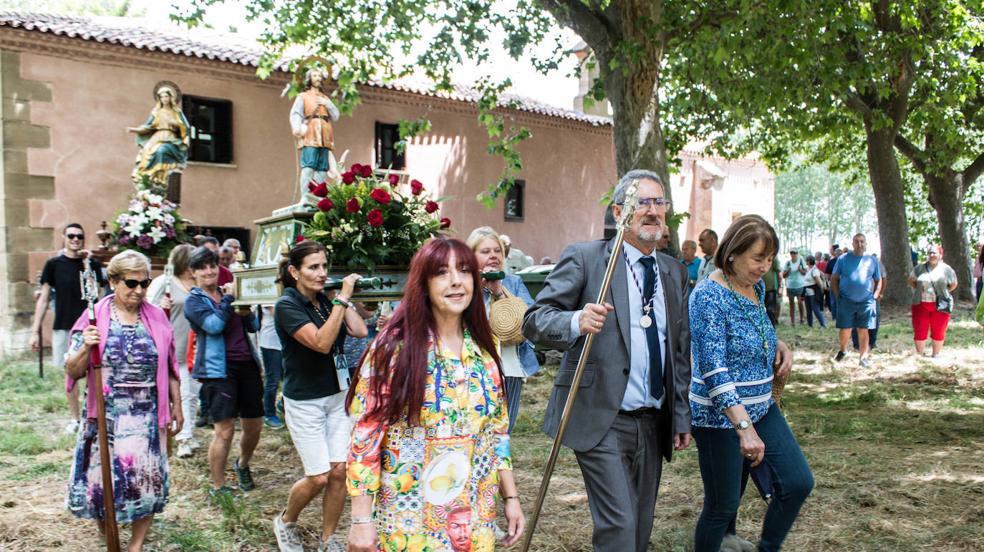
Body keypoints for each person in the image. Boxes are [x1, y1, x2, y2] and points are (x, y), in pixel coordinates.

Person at [523, 170, 692, 552]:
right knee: (619, 525)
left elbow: (680, 351)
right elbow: (534, 320)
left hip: (653, 419)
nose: (652, 211)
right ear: (620, 211)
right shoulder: (585, 259)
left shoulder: (674, 272)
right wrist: (575, 320)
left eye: (659, 202)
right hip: (601, 416)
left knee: (640, 528)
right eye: (641, 202)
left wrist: (680, 415)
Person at [346, 238, 524, 551]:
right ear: (423, 283)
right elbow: (365, 437)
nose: (456, 281)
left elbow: (498, 433)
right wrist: (361, 521)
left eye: (465, 271)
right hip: (408, 521)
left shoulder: (484, 350)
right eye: (442, 272)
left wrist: (511, 498)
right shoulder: (394, 348)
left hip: (473, 516)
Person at [688, 215, 810, 552]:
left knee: (798, 481)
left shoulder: (752, 286)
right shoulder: (708, 296)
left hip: (762, 406)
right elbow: (714, 369)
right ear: (732, 254)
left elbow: (753, 332)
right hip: (719, 416)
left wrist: (777, 346)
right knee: (722, 505)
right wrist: (743, 428)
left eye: (770, 259)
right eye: (758, 258)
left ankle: (765, 548)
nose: (765, 267)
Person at [64, 250, 182, 552]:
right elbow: (73, 370)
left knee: (146, 482)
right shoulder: (94, 317)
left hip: (146, 415)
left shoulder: (155, 316)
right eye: (131, 283)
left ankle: (136, 545)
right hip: (106, 415)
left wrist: (176, 406)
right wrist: (84, 349)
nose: (140, 291)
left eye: (145, 283)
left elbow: (168, 367)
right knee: (102, 485)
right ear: (113, 281)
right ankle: (108, 531)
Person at [271, 240, 368, 552]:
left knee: (340, 472)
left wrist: (339, 300)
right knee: (320, 476)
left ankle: (328, 539)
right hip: (305, 402)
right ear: (294, 272)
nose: (322, 273)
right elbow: (322, 343)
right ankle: (286, 521)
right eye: (313, 267)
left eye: (324, 266)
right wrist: (341, 298)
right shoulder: (287, 305)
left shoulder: (324, 300)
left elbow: (360, 331)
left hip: (338, 397)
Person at [184, 246, 263, 499]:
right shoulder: (194, 301)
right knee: (224, 430)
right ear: (193, 273)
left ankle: (242, 464)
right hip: (218, 370)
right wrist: (230, 300)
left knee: (254, 425)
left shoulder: (228, 291)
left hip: (247, 364)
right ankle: (218, 486)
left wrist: (248, 307)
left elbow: (254, 325)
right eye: (202, 267)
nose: (209, 271)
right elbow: (214, 326)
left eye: (212, 266)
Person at [30, 223, 107, 434]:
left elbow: (97, 293)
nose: (75, 239)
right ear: (64, 237)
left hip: (89, 326)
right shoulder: (53, 264)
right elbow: (44, 297)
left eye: (79, 236)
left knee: (94, 370)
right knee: (70, 373)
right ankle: (75, 419)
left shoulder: (91, 263)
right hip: (64, 325)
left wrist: (87, 264)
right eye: (71, 235)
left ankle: (91, 413)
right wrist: (34, 330)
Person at [467, 226, 541, 433]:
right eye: (485, 251)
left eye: (497, 250)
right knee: (475, 428)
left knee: (504, 429)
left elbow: (530, 320)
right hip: (474, 367)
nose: (493, 255)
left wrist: (499, 291)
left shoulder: (513, 282)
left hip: (510, 367)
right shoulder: (464, 284)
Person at [148, 244, 201, 458]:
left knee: (194, 394)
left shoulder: (198, 282)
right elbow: (147, 307)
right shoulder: (165, 282)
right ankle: (183, 438)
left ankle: (190, 431)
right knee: (183, 393)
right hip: (175, 344)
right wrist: (161, 306)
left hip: (196, 346)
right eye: (191, 262)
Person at [290, 68, 340, 207]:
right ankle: (305, 196)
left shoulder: (325, 98)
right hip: (311, 132)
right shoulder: (303, 96)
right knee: (309, 165)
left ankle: (317, 196)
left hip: (325, 133)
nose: (317, 78)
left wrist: (327, 104)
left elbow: (335, 115)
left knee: (322, 167)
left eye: (319, 75)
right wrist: (297, 128)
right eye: (314, 75)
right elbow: (296, 114)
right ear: (309, 79)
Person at [831, 234, 882, 367]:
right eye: (857, 242)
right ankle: (843, 350)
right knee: (845, 329)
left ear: (866, 244)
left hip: (866, 301)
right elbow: (834, 278)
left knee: (863, 329)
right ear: (852, 244)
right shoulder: (842, 259)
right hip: (846, 300)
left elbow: (878, 279)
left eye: (862, 242)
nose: (859, 244)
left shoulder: (872, 260)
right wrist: (838, 296)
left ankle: (863, 357)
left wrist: (876, 295)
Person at [128, 81, 190, 185]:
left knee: (161, 151)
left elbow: (185, 127)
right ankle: (146, 179)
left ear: (171, 98)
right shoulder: (156, 112)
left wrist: (175, 123)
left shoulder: (176, 112)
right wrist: (134, 130)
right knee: (146, 152)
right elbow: (148, 127)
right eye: (162, 97)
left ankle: (160, 179)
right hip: (157, 137)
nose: (164, 99)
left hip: (170, 137)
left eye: (166, 96)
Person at [907, 245, 958, 359]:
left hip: (940, 304)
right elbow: (911, 280)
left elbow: (954, 284)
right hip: (920, 303)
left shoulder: (947, 269)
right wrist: (921, 290)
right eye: (930, 253)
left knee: (939, 328)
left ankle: (936, 354)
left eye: (935, 253)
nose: (932, 255)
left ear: (940, 255)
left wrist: (944, 292)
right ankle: (920, 355)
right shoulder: (919, 268)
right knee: (920, 328)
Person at [258, 305, 286, 429]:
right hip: (271, 343)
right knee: (272, 380)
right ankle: (269, 414)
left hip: (285, 342)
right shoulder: (268, 290)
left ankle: (282, 405)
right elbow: (279, 314)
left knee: (290, 377)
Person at [782, 250, 807, 325]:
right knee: (791, 304)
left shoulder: (801, 262)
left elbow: (804, 273)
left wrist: (800, 270)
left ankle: (801, 319)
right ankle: (792, 321)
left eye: (795, 253)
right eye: (792, 253)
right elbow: (783, 276)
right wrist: (788, 271)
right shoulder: (788, 263)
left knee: (800, 302)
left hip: (800, 285)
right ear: (790, 254)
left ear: (797, 254)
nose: (793, 254)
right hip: (790, 286)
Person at [802, 255, 827, 328]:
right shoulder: (809, 269)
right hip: (807, 292)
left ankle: (823, 324)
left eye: (806, 260)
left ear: (809, 261)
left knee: (815, 309)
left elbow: (818, 282)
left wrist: (822, 289)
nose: (806, 262)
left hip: (813, 292)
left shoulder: (814, 270)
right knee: (808, 309)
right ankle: (810, 324)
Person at [763, 256, 783, 327]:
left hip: (770, 289)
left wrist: (780, 287)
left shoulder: (773, 256)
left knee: (770, 311)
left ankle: (771, 330)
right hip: (757, 289)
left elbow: (779, 273)